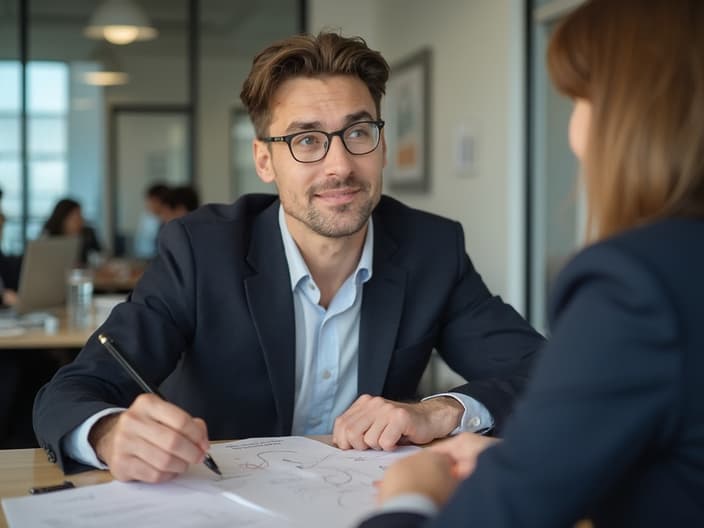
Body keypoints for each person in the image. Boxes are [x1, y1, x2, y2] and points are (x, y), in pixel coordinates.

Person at [33, 31, 543, 482]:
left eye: (358, 133)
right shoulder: (200, 251)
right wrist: (108, 432)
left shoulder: (431, 248)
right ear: (264, 160)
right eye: (306, 140)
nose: (339, 165)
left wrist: (443, 410)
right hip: (220, 505)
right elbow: (73, 390)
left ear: (383, 146)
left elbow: (546, 372)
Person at [361, 1, 704, 526]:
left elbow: (533, 368)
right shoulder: (197, 248)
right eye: (308, 140)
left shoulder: (634, 285)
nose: (574, 132)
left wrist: (410, 494)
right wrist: (523, 461)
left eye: (578, 101)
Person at [42, 198, 101, 265]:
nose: (81, 221)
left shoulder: (88, 234)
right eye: (76, 218)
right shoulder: (49, 238)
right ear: (63, 219)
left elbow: (101, 256)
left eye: (81, 216)